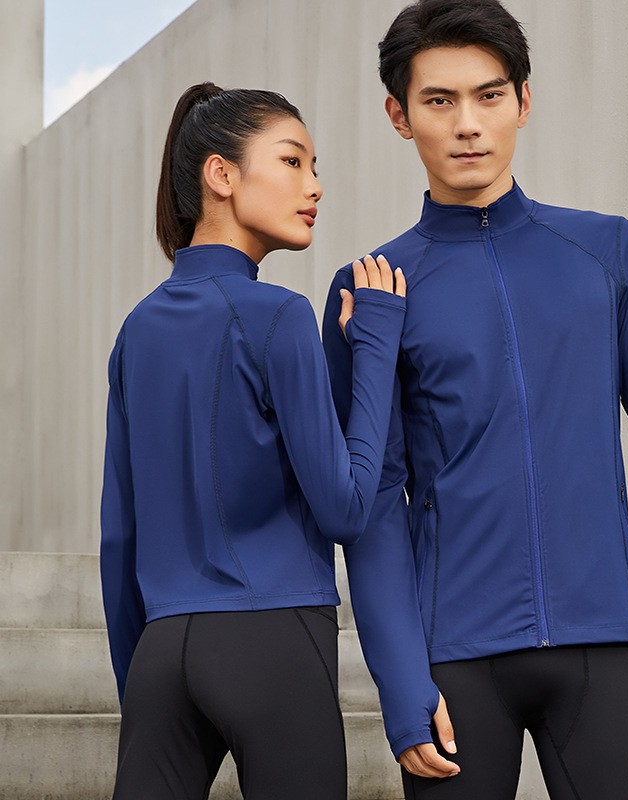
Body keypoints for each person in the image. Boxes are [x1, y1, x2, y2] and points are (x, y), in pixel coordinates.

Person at [322, 2, 628, 798]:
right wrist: (400, 680)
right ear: (399, 116)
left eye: (490, 95)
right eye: (439, 101)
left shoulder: (607, 252)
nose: (468, 124)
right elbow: (375, 505)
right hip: (454, 665)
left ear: (523, 101)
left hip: (600, 645)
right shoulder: (374, 290)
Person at [100, 82, 406, 800]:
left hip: (160, 654)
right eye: (293, 162)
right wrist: (375, 349)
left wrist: (140, 682)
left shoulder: (136, 331)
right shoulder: (278, 315)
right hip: (274, 639)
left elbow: (120, 536)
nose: (315, 186)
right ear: (221, 174)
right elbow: (346, 508)